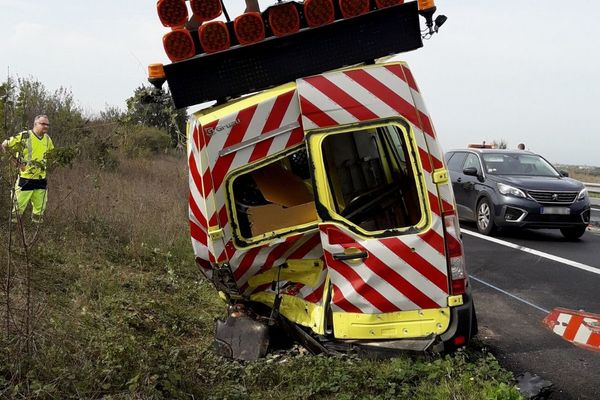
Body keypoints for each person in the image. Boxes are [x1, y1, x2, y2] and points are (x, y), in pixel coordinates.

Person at [1, 115, 54, 224]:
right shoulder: (24, 136)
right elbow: (4, 145)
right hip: (25, 178)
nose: (46, 126)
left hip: (41, 178)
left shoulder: (47, 139)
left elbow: (51, 155)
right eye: (43, 124)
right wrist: (13, 160)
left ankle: (36, 228)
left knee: (40, 208)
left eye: (47, 124)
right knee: (18, 206)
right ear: (35, 124)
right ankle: (14, 231)